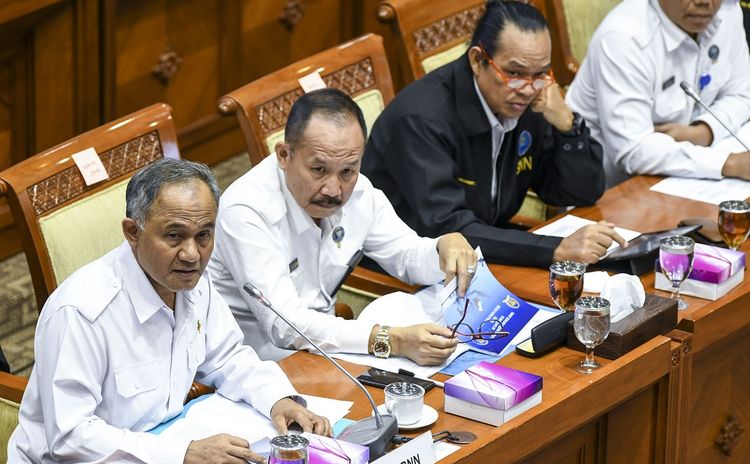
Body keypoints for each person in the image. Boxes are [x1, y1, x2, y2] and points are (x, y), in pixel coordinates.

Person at [0, 159, 330, 464]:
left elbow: (228, 357)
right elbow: (70, 437)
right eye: (174, 236)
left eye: (204, 235)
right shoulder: (82, 311)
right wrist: (185, 454)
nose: (192, 253)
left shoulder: (191, 281)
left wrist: (278, 399)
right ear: (133, 232)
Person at [208, 88, 478, 364]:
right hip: (256, 362)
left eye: (348, 170)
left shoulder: (359, 191)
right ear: (284, 155)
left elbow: (406, 255)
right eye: (319, 170)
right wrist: (391, 340)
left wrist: (442, 247)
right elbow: (286, 326)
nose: (334, 190)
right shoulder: (246, 211)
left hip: (330, 347)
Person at [361, 1, 622, 269]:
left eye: (541, 73)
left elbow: (578, 193)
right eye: (514, 73)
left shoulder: (529, 101)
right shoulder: (420, 120)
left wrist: (568, 126)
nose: (528, 88)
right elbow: (451, 227)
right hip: (415, 270)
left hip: (484, 254)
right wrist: (554, 249)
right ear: (477, 61)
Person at [566, 0, 750, 187]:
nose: (704, 2)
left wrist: (703, 132)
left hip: (684, 178)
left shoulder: (727, 11)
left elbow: (742, 95)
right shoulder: (624, 36)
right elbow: (633, 150)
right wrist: (730, 163)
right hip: (610, 193)